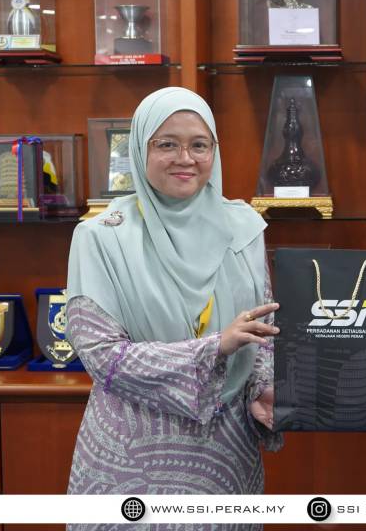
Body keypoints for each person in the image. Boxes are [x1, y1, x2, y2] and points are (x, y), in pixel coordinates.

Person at [65, 87, 281, 529]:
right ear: (139, 150)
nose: (185, 158)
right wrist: (214, 347)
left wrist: (262, 387)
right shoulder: (102, 236)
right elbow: (103, 357)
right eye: (167, 144)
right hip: (130, 456)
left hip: (225, 454)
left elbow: (262, 333)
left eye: (199, 145)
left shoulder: (243, 229)